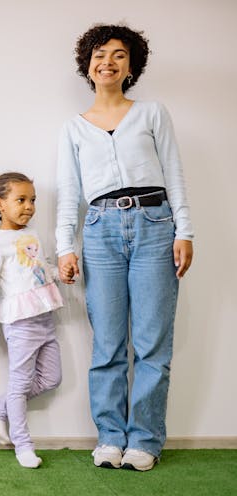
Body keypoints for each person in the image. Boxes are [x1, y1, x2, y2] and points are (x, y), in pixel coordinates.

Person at [56, 24, 194, 471]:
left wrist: (185, 231)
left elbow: (173, 173)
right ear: (87, 65)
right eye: (100, 55)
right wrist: (65, 246)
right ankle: (110, 437)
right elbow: (69, 192)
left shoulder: (152, 113)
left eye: (119, 55)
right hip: (99, 230)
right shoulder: (74, 128)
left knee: (153, 342)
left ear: (131, 66)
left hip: (156, 223)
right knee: (108, 343)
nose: (108, 62)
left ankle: (145, 441)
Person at [0, 172, 64, 469]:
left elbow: (41, 269)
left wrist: (60, 273)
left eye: (32, 200)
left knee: (52, 378)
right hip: (20, 322)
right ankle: (23, 445)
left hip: (45, 318)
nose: (29, 206)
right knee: (20, 382)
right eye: (21, 200)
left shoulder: (34, 235)